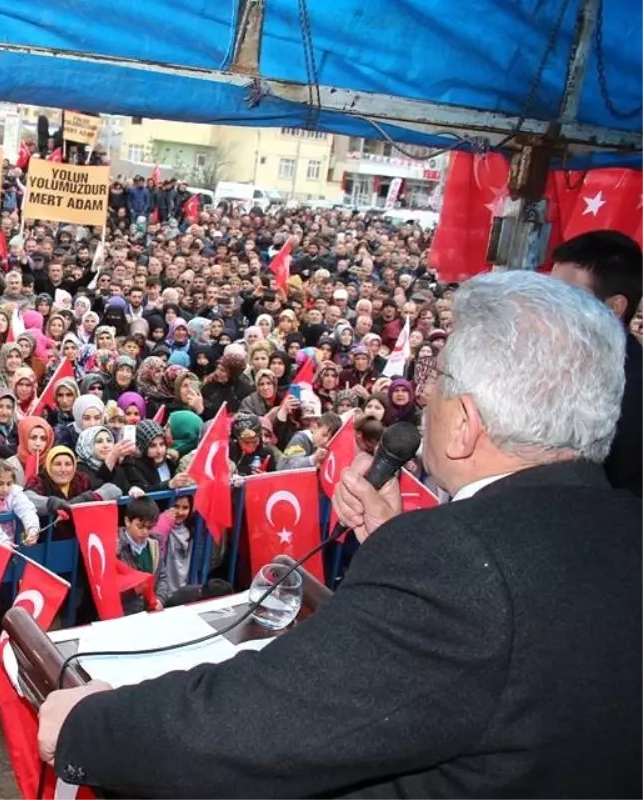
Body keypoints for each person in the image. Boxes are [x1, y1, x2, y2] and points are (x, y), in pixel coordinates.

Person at [38, 271, 643, 798]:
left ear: (464, 426)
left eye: (438, 378)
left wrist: (90, 725)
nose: (424, 394)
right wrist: (395, 537)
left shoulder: (456, 562)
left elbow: (258, 728)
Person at [549, 230, 643, 496]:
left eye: (566, 297)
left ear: (614, 308)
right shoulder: (548, 363)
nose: (550, 307)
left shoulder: (634, 393)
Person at [116, 496, 164, 615]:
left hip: (149, 610)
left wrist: (160, 599)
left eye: (149, 527)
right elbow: (109, 587)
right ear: (127, 522)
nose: (145, 532)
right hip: (125, 613)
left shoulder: (154, 545)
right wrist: (132, 590)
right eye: (140, 526)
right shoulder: (116, 547)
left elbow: (163, 576)